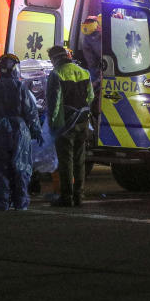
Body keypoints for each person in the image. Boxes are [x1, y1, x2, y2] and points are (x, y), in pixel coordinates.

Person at [0, 53, 43, 210]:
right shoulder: (21, 88)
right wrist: (36, 131)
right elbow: (31, 111)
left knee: (0, 168)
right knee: (21, 167)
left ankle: (2, 202)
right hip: (19, 132)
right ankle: (21, 202)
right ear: (15, 70)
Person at [46, 45, 94, 207]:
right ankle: (79, 196)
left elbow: (54, 103)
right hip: (83, 121)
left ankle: (66, 197)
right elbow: (90, 97)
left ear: (55, 59)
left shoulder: (56, 74)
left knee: (66, 161)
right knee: (79, 160)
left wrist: (52, 125)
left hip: (65, 124)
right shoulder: (84, 72)